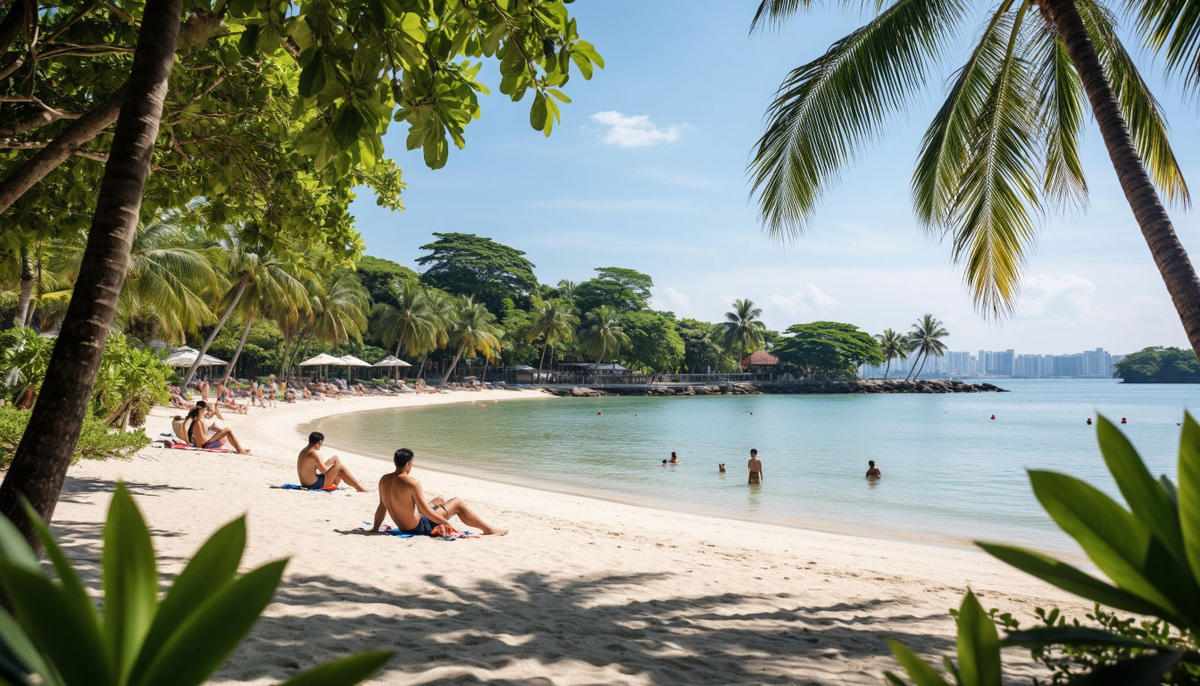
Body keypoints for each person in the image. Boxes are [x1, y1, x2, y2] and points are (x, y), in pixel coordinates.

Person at [372, 448, 507, 536]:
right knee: (457, 502)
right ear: (408, 464)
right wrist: (447, 524)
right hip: (418, 527)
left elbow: (382, 507)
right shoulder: (412, 482)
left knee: (439, 500)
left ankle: (440, 506)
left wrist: (375, 528)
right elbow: (425, 512)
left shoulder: (384, 480)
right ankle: (488, 530)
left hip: (403, 526)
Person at [297, 431, 367, 492]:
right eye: (321, 444)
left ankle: (336, 483)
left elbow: (317, 468)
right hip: (314, 484)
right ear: (319, 442)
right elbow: (325, 471)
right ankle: (360, 488)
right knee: (340, 467)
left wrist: (330, 462)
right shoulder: (314, 453)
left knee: (336, 464)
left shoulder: (304, 451)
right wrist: (334, 467)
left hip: (306, 483)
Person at [184, 405, 249, 454]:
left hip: (203, 444)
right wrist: (209, 440)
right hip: (205, 445)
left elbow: (200, 435)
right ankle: (240, 450)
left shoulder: (195, 422)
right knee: (228, 430)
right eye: (202, 413)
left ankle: (239, 448)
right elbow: (202, 439)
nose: (204, 414)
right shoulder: (198, 422)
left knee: (224, 431)